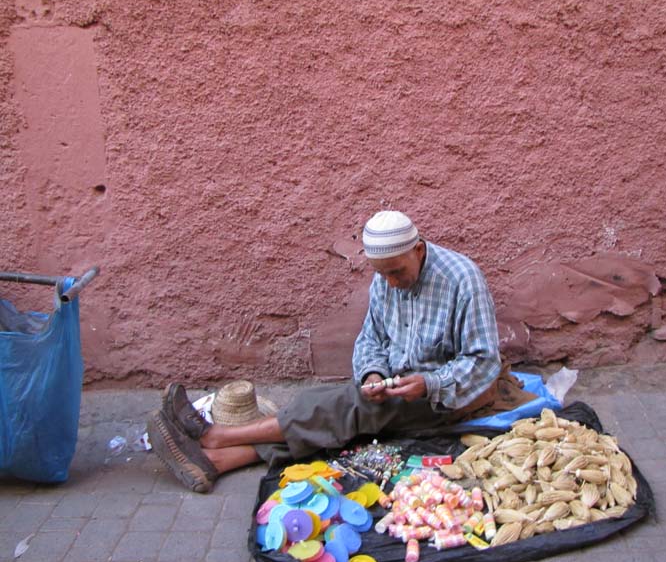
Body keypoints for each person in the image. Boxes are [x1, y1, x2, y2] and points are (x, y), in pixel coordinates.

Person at [147, 210, 530, 493]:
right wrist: (373, 375)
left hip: (451, 396)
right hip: (399, 389)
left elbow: (483, 362)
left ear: (418, 249)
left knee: (344, 407)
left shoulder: (462, 278)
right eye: (383, 274)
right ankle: (217, 461)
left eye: (397, 272)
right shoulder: (386, 279)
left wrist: (428, 384)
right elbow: (370, 339)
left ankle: (217, 437)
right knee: (349, 414)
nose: (391, 283)